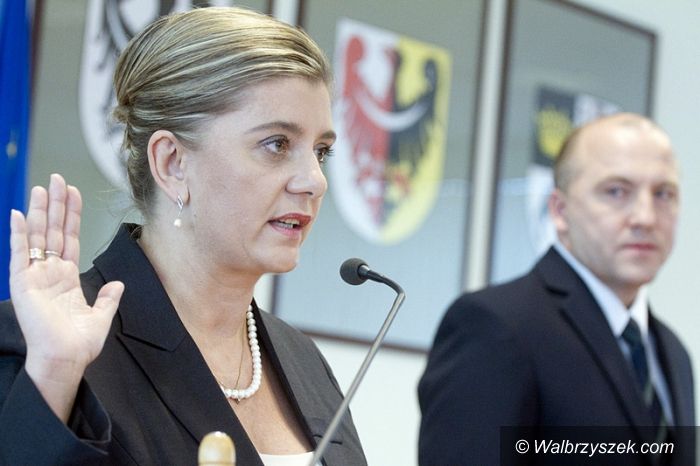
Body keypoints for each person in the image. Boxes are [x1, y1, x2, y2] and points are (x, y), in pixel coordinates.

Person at [0, 7, 367, 466]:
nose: (314, 180)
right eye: (277, 144)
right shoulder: (40, 343)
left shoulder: (303, 359)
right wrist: (56, 373)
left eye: (321, 151)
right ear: (172, 163)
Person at [418, 113, 695, 465]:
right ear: (560, 211)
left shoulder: (673, 353)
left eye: (663, 194)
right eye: (616, 191)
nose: (646, 217)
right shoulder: (496, 326)